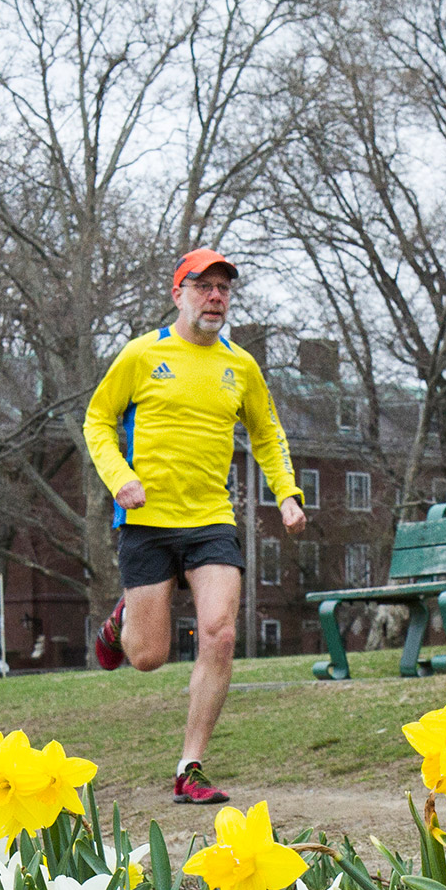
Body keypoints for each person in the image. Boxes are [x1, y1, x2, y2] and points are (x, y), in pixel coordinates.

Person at [83, 247, 307, 804]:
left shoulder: (241, 368)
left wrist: (287, 495)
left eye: (223, 289)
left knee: (220, 634)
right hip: (146, 521)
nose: (215, 297)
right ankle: (124, 622)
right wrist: (120, 478)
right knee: (148, 656)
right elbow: (97, 420)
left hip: (211, 520)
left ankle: (190, 767)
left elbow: (268, 435)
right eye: (203, 286)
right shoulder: (141, 355)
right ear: (177, 293)